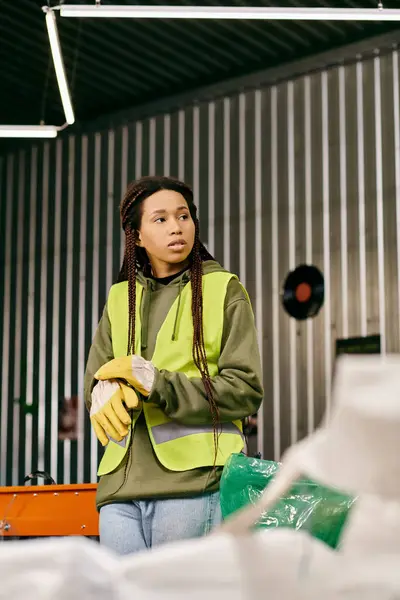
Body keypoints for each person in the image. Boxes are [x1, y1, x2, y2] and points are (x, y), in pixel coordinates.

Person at [84, 175, 263, 555]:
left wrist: (158, 383)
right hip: (120, 487)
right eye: (160, 219)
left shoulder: (222, 290)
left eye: (184, 216)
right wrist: (99, 392)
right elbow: (95, 377)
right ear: (137, 236)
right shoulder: (120, 299)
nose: (176, 227)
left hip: (193, 484)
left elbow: (246, 389)